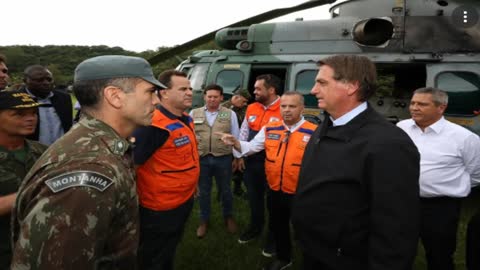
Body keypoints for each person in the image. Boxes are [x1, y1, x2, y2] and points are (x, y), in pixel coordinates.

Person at [11, 55, 163, 269]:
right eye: (150, 91)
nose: (157, 100)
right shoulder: (88, 170)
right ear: (115, 96)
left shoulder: (97, 145)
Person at [291, 55, 420, 270]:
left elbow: (396, 228)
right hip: (316, 251)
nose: (313, 90)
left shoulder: (388, 143)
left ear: (351, 86)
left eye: (322, 83)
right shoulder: (325, 127)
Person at [219, 91, 317, 270]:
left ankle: (311, 261)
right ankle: (283, 258)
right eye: (284, 106)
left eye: (292, 106)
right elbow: (250, 147)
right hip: (275, 190)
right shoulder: (270, 129)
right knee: (278, 225)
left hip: (300, 193)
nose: (287, 110)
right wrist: (236, 142)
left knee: (304, 231)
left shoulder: (313, 132)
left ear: (302, 108)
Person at [397, 87, 480, 270]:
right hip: (404, 203)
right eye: (413, 103)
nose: (414, 108)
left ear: (441, 107)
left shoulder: (464, 138)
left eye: (422, 104)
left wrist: (447, 187)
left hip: (441, 208)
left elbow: (476, 173)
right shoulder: (401, 128)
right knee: (398, 252)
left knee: (439, 255)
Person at [134, 70, 199, 270]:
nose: (189, 92)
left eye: (190, 88)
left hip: (183, 200)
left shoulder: (186, 118)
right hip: (160, 209)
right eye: (183, 89)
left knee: (169, 249)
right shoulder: (153, 126)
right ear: (164, 93)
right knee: (154, 257)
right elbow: (132, 166)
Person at [0, 91, 47, 270]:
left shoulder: (46, 152)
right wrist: (33, 193)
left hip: (41, 250)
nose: (31, 119)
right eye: (19, 114)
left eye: (33, 113)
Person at [238, 74, 282, 258]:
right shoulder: (251, 108)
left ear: (271, 90)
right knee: (254, 198)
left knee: (274, 202)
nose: (253, 91)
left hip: (274, 163)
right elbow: (243, 133)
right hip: (252, 160)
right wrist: (239, 155)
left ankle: (274, 237)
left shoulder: (285, 108)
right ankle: (255, 227)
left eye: (257, 88)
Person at [190, 84, 239, 238]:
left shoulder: (229, 114)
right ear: (204, 97)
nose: (212, 99)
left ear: (221, 98)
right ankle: (204, 220)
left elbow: (235, 137)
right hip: (202, 158)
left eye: (215, 97)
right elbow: (190, 137)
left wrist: (237, 157)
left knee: (226, 190)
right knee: (203, 192)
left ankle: (228, 217)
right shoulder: (194, 113)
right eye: (209, 96)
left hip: (223, 158)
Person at [19, 65, 73, 145]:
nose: (46, 83)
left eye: (49, 79)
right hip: (32, 153)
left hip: (62, 151)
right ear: (25, 81)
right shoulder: (16, 99)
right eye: (39, 80)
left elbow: (68, 124)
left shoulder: (64, 98)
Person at [222, 88, 251, 196]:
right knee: (226, 168)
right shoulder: (223, 108)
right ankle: (223, 192)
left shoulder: (246, 109)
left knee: (240, 167)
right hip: (226, 143)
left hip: (240, 141)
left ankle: (237, 188)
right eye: (243, 101)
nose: (245, 104)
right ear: (236, 97)